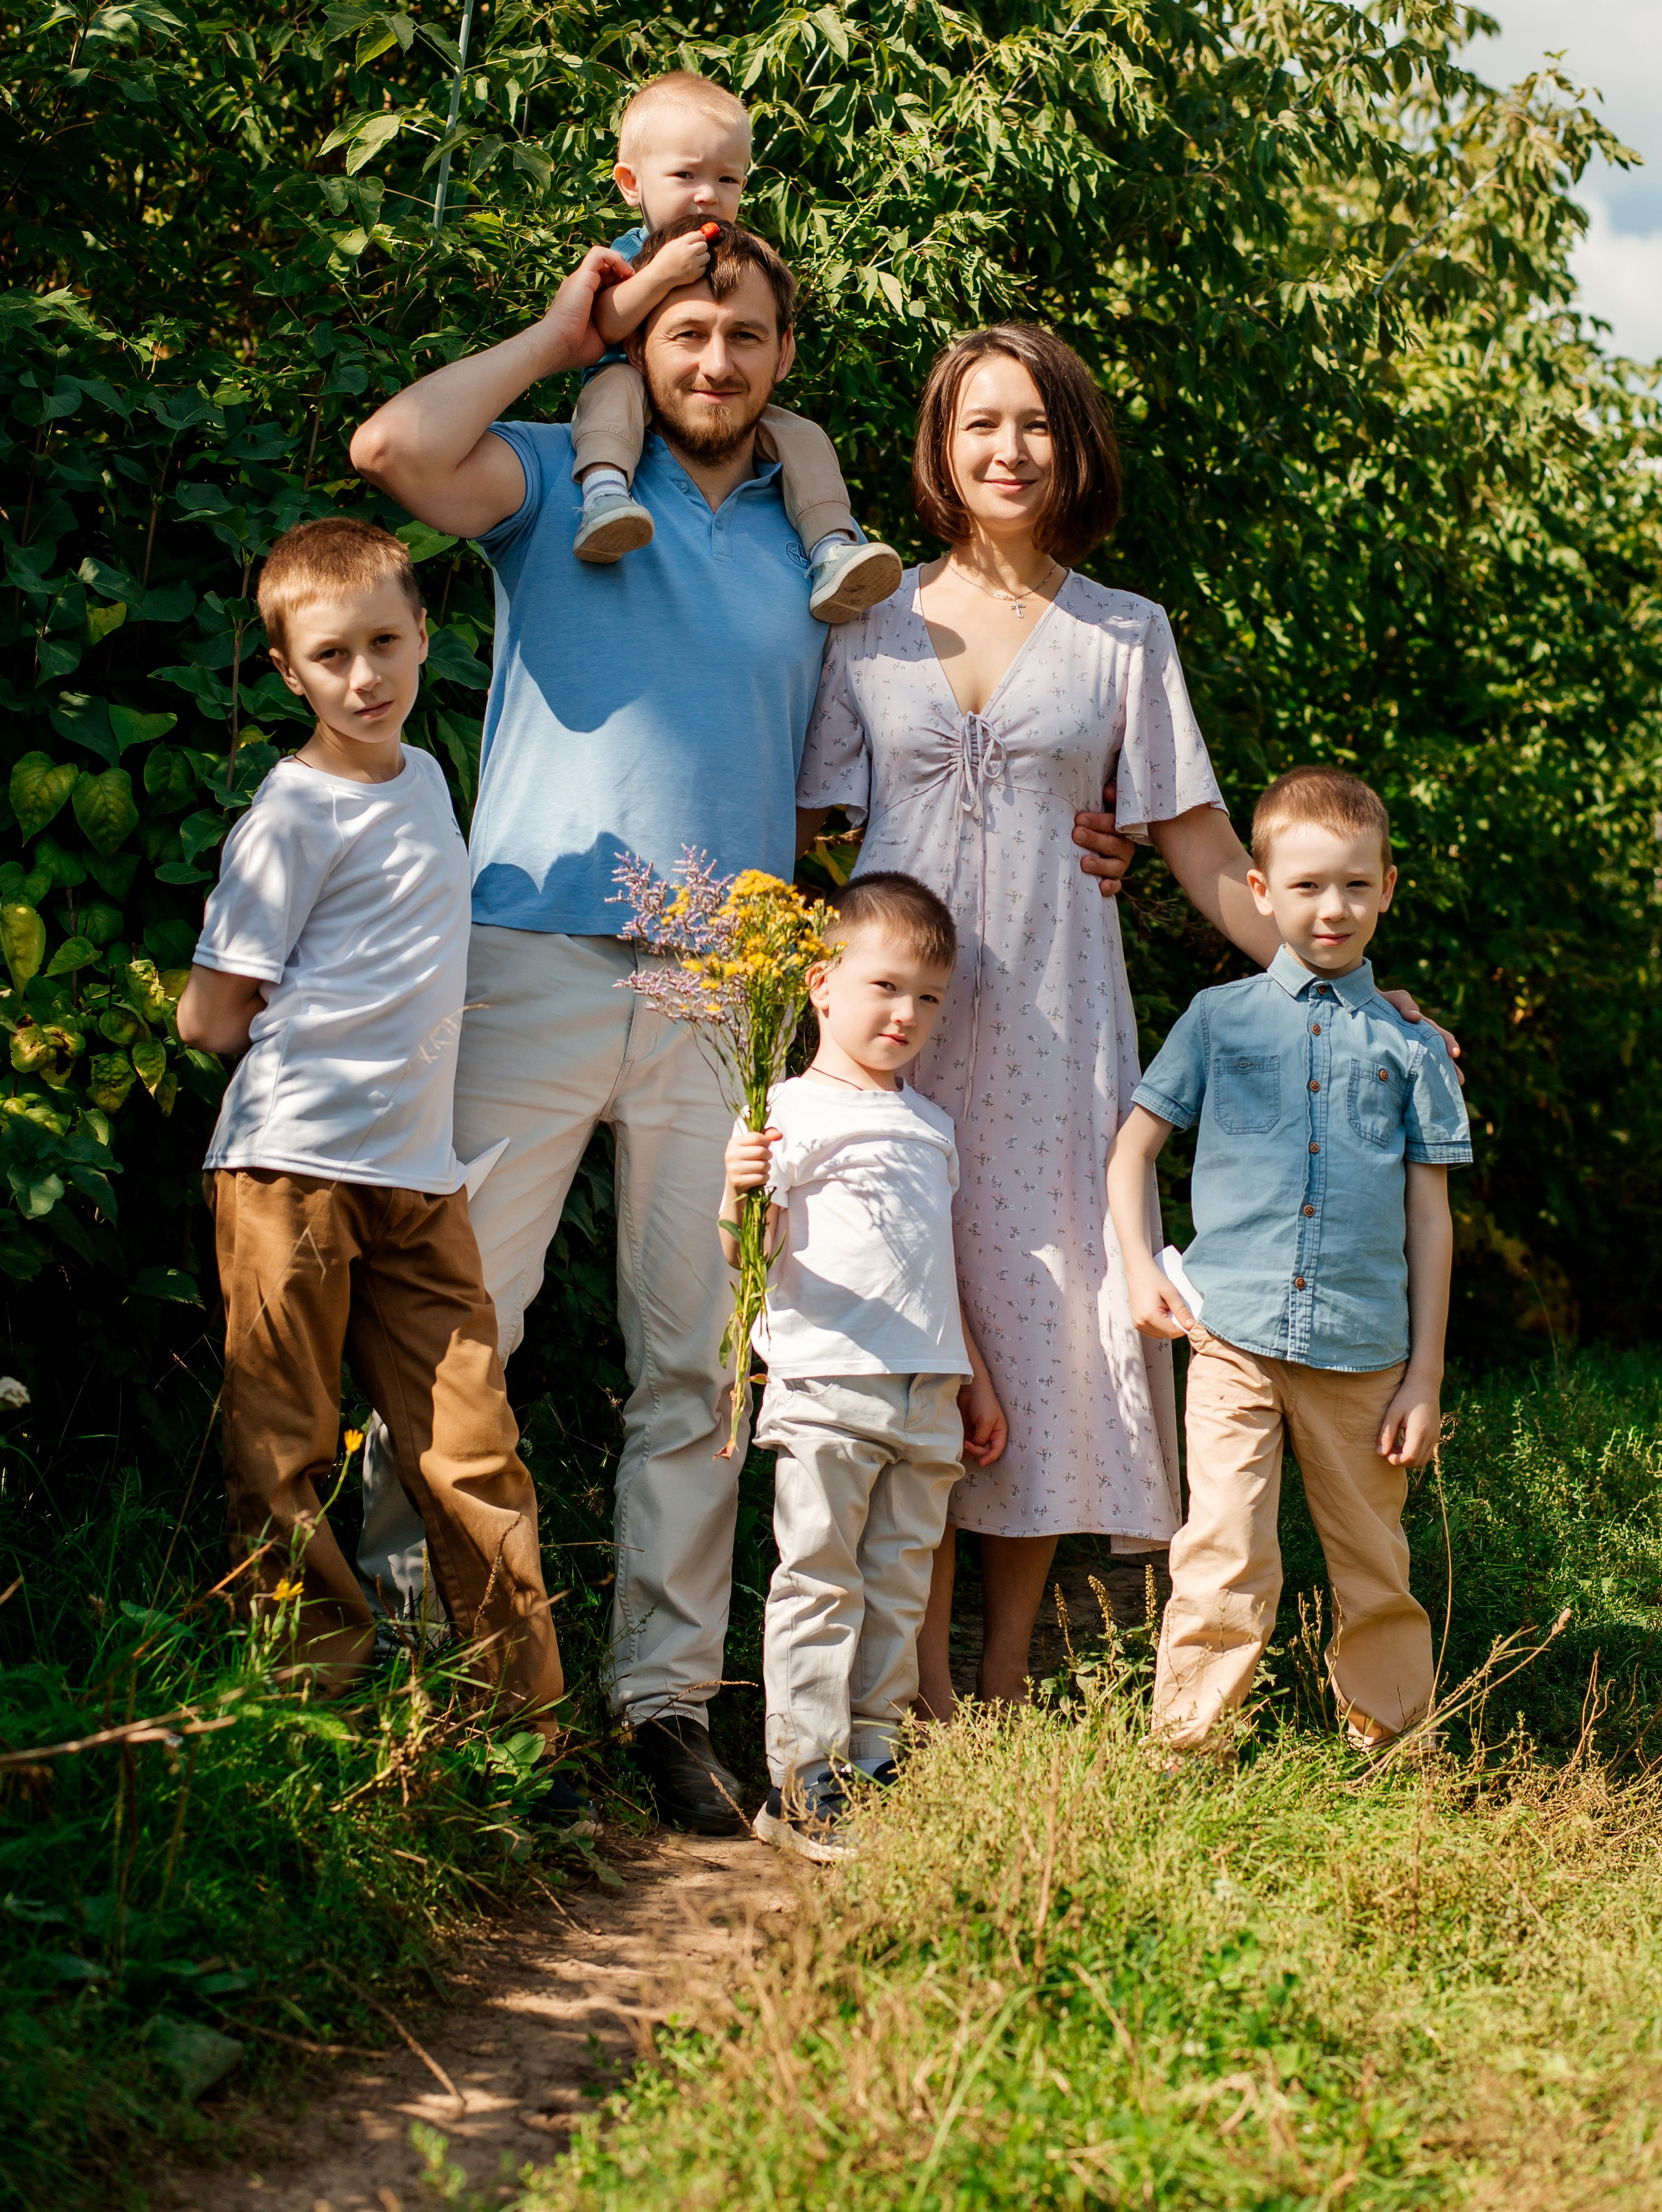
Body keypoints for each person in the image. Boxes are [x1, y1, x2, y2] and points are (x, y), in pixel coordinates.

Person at [349, 247, 1138, 1830]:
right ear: (640, 346)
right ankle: (414, 1676)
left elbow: (898, 755)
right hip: (531, 954)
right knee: (459, 1331)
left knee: (701, 1368)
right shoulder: (557, 483)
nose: (715, 361)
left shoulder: (814, 544)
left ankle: (662, 1701)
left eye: (748, 336)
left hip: (726, 989)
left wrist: (1082, 834)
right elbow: (390, 450)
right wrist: (560, 335)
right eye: (687, 333)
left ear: (783, 356)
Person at [795, 325, 1458, 1713]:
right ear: (940, 447)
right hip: (897, 1024)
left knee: (1044, 1307)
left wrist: (1340, 977)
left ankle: (998, 1670)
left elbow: (1201, 844)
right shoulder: (863, 616)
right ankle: (913, 1677)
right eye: (980, 423)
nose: (1008, 450)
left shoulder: (1123, 632)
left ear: (1074, 444)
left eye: (1035, 422)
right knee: (911, 1303)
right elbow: (808, 828)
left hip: (1055, 1014)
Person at [175, 519, 577, 1804]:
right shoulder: (288, 816)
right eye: (331, 656)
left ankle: (525, 1741)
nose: (365, 678)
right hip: (289, 1169)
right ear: (287, 669)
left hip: (418, 1178)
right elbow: (208, 1015)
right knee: (285, 1450)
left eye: (385, 645)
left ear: (422, 638)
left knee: (472, 1446)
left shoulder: (425, 778)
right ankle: (315, 1723)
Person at [1107, 767, 1472, 1754]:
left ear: (1387, 887)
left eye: (1355, 884)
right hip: (1230, 1336)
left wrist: (1425, 1377)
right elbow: (1132, 1151)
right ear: (1262, 891)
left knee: (1373, 1562)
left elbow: (1430, 1218)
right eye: (1307, 885)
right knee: (1221, 1549)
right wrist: (1139, 1267)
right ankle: (1189, 1747)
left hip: (1363, 1352)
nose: (1332, 908)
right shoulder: (1218, 1019)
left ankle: (1391, 1743)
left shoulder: (1413, 1048)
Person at [720, 873, 1007, 1859]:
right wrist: (735, 1195)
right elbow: (744, 1256)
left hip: (926, 1390)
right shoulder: (785, 1111)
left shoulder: (932, 1125)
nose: (906, 1014)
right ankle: (801, 1781)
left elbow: (937, 1268)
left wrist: (972, 1379)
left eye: (928, 997)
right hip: (827, 1383)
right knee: (820, 1579)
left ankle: (875, 1763)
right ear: (820, 985)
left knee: (898, 1585)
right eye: (885, 987)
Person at [568, 68, 900, 622]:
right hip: (627, 389)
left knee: (801, 434)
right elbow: (603, 324)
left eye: (728, 179)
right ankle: (604, 496)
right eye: (685, 174)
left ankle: (830, 547)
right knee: (616, 385)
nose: (707, 194)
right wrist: (659, 275)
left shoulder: (737, 254)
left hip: (710, 408)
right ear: (631, 183)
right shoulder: (629, 252)